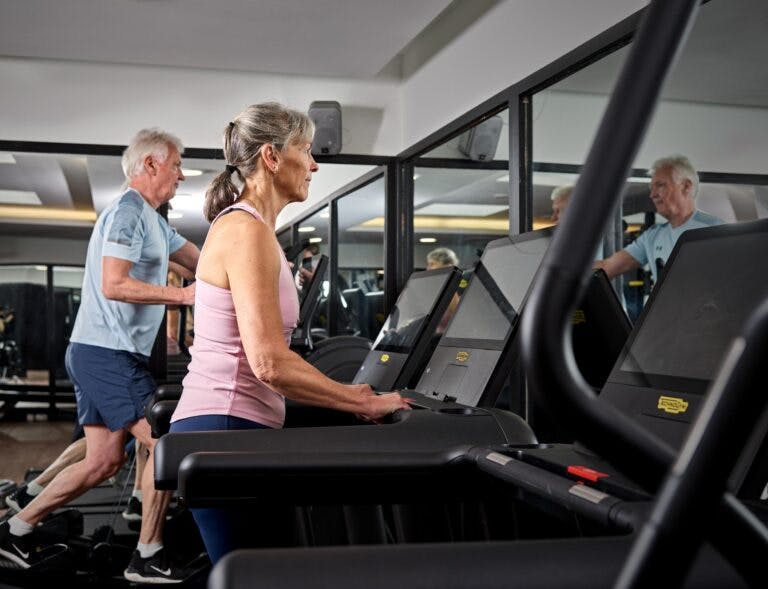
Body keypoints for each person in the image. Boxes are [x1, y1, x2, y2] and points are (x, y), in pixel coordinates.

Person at [168, 102, 410, 565]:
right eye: (306, 150)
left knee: (254, 572)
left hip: (232, 426)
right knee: (251, 575)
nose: (314, 164)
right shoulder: (246, 231)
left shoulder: (253, 229)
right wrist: (359, 400)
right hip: (225, 426)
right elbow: (268, 363)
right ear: (272, 157)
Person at [0, 128, 200, 583]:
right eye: (176, 165)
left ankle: (15, 529)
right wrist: (183, 296)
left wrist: (255, 267)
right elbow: (115, 283)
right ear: (150, 164)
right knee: (166, 443)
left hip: (101, 352)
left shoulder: (153, 220)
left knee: (103, 460)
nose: (181, 175)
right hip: (107, 353)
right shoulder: (128, 213)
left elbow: (199, 260)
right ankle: (147, 556)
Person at [594, 155, 723, 284]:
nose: (652, 195)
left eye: (660, 185)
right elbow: (608, 267)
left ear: (686, 186)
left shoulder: (716, 230)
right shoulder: (652, 236)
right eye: (651, 188)